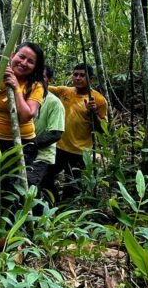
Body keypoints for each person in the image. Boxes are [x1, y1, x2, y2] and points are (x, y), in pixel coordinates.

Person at [0, 42, 45, 212]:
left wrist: (16, 88)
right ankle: (0, 218)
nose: (24, 63)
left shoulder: (36, 85)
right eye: (21, 57)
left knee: (13, 185)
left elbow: (26, 115)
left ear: (35, 67)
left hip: (21, 143)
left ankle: (17, 220)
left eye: (30, 61)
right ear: (12, 56)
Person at [43, 63, 108, 201]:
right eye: (75, 74)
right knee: (44, 178)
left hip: (79, 152)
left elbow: (103, 129)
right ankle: (53, 204)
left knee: (72, 187)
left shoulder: (99, 100)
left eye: (82, 75)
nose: (78, 78)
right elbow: (43, 86)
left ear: (91, 79)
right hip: (58, 147)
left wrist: (93, 113)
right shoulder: (64, 91)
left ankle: (64, 210)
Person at [29, 66, 65, 198]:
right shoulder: (25, 97)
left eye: (41, 77)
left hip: (42, 156)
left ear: (49, 80)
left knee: (30, 185)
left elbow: (55, 133)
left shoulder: (54, 103)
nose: (37, 80)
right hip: (24, 154)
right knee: (43, 186)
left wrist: (30, 144)